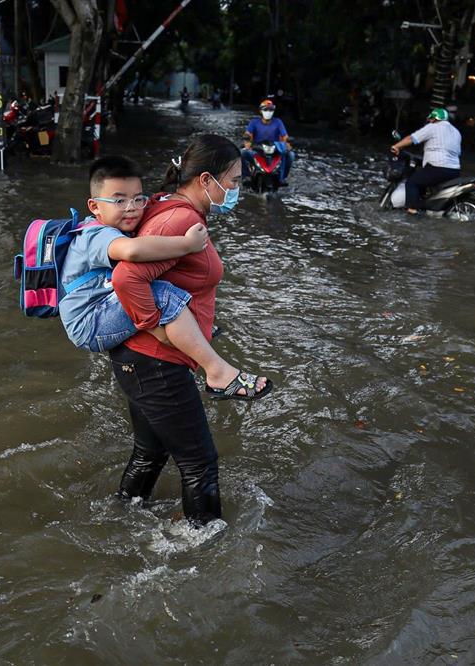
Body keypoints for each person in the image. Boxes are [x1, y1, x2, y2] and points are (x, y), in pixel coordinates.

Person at [109, 135, 273, 526]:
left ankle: (120, 519)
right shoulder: (179, 219)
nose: (235, 191)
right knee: (201, 464)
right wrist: (158, 331)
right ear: (205, 180)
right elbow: (127, 277)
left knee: (151, 452)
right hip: (156, 363)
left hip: (140, 361)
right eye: (232, 182)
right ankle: (203, 552)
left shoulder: (170, 207)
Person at [59, 155, 262, 398]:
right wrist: (187, 244)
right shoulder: (96, 236)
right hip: (89, 322)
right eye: (119, 201)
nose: (131, 207)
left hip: (101, 308)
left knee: (157, 287)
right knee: (161, 294)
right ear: (94, 207)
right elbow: (133, 252)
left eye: (138, 199)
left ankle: (191, 332)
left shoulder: (116, 226)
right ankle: (216, 371)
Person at [390, 108, 461, 214]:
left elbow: (412, 138)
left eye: (431, 119)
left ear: (435, 118)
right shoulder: (456, 132)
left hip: (437, 168)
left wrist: (397, 146)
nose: (430, 121)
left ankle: (412, 211)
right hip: (455, 171)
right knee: (424, 181)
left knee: (412, 183)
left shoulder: (432, 127)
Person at [242, 99, 294, 185]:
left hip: (275, 150)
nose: (268, 112)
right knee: (242, 153)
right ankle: (246, 176)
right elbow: (248, 133)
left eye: (271, 110)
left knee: (291, 155)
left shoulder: (278, 122)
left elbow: (285, 136)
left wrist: (288, 144)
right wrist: (247, 140)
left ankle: (282, 178)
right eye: (266, 109)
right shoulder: (254, 122)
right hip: (257, 150)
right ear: (261, 111)